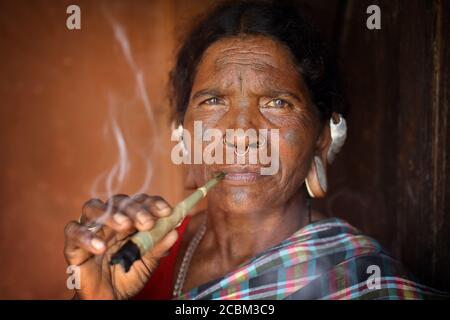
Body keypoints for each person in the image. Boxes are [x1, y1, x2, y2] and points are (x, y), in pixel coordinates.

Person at [63, 1, 447, 300]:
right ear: (183, 135)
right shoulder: (136, 252)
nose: (241, 134)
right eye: (213, 100)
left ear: (323, 138)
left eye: (277, 103)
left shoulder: (362, 280)